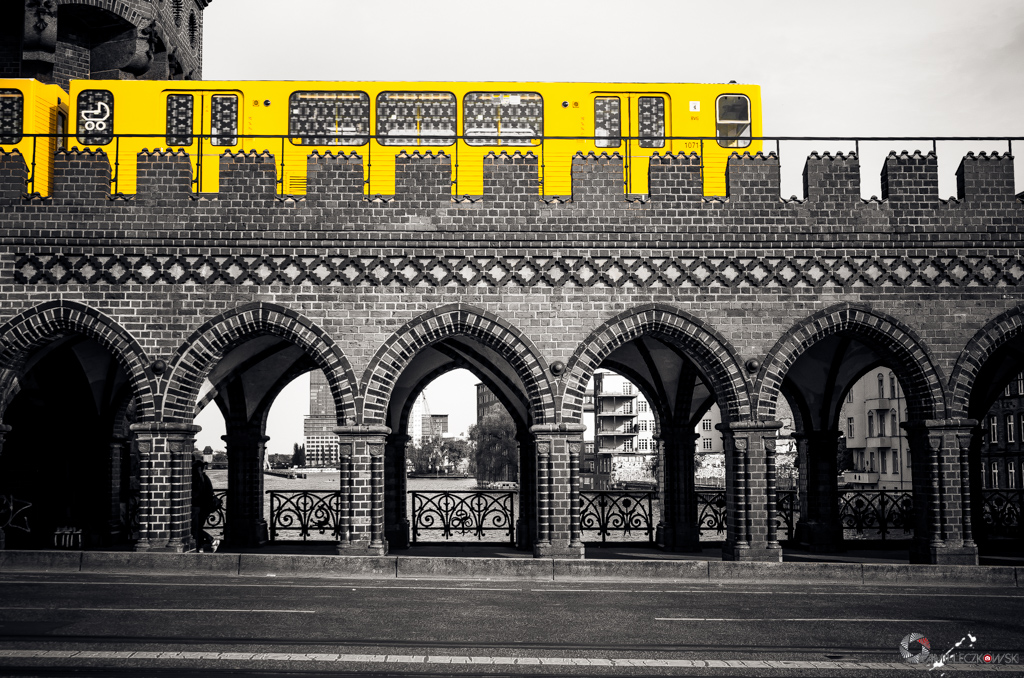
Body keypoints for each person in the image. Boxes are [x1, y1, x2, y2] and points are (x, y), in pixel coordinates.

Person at [191, 458, 222, 552]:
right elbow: (209, 493)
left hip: (197, 506)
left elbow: (196, 494)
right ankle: (203, 545)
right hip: (205, 507)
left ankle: (208, 541)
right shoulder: (205, 478)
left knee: (194, 528)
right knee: (197, 528)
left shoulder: (196, 478)